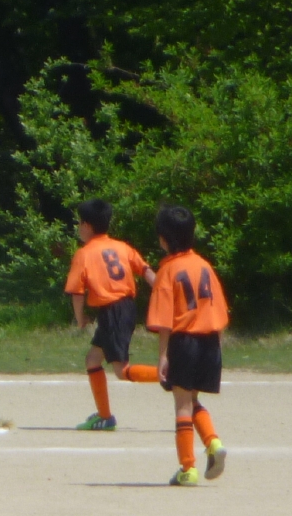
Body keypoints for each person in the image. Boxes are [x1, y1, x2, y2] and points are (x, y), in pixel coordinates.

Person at [147, 205, 229, 486]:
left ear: (163, 239)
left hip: (184, 341)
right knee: (192, 401)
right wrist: (218, 347)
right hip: (209, 340)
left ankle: (188, 468)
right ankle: (213, 444)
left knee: (182, 404)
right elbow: (219, 311)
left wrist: (163, 355)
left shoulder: (167, 270)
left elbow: (164, 319)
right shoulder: (204, 265)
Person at [64, 199, 159, 430]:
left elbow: (77, 292)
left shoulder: (84, 254)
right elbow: (147, 272)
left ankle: (173, 375)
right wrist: (167, 294)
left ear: (87, 226)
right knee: (92, 359)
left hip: (114, 310)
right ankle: (105, 416)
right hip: (122, 308)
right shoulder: (122, 247)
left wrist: (80, 319)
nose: (78, 227)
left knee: (121, 371)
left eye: (80, 223)